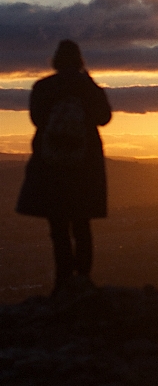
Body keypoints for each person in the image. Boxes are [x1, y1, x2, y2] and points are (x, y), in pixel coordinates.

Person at [16, 40, 112, 295]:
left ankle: (62, 282)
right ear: (80, 60)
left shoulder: (43, 87)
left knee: (58, 227)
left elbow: (37, 119)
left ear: (56, 60)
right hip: (85, 165)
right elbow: (104, 118)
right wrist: (89, 84)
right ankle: (83, 280)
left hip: (51, 163)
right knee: (82, 224)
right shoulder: (88, 88)